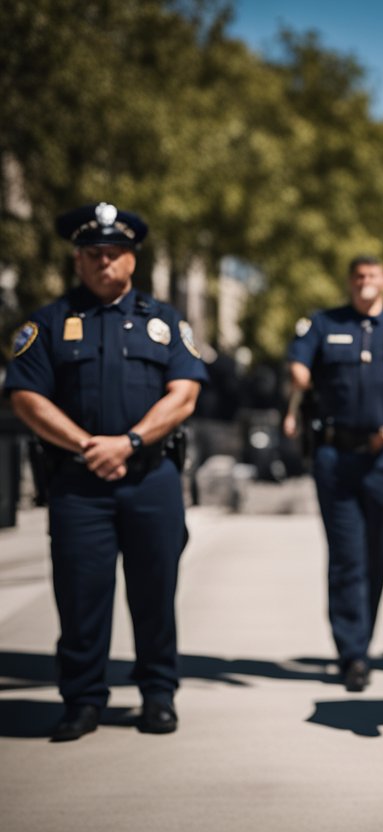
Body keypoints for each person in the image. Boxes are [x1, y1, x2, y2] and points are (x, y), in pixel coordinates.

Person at [4, 202, 207, 741]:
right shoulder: (47, 324)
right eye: (93, 254)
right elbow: (25, 396)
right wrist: (90, 445)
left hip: (151, 478)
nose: (103, 262)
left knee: (154, 593)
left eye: (114, 253)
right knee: (79, 596)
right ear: (78, 261)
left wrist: (131, 441)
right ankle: (83, 699)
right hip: (78, 484)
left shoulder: (163, 322)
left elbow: (184, 394)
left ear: (131, 260)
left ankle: (158, 695)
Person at [283, 256, 383, 692]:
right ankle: (353, 653)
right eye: (358, 277)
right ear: (350, 283)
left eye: (372, 275)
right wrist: (300, 381)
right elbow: (298, 363)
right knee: (346, 556)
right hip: (335, 456)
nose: (365, 282)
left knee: (375, 555)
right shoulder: (323, 323)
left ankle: (362, 638)